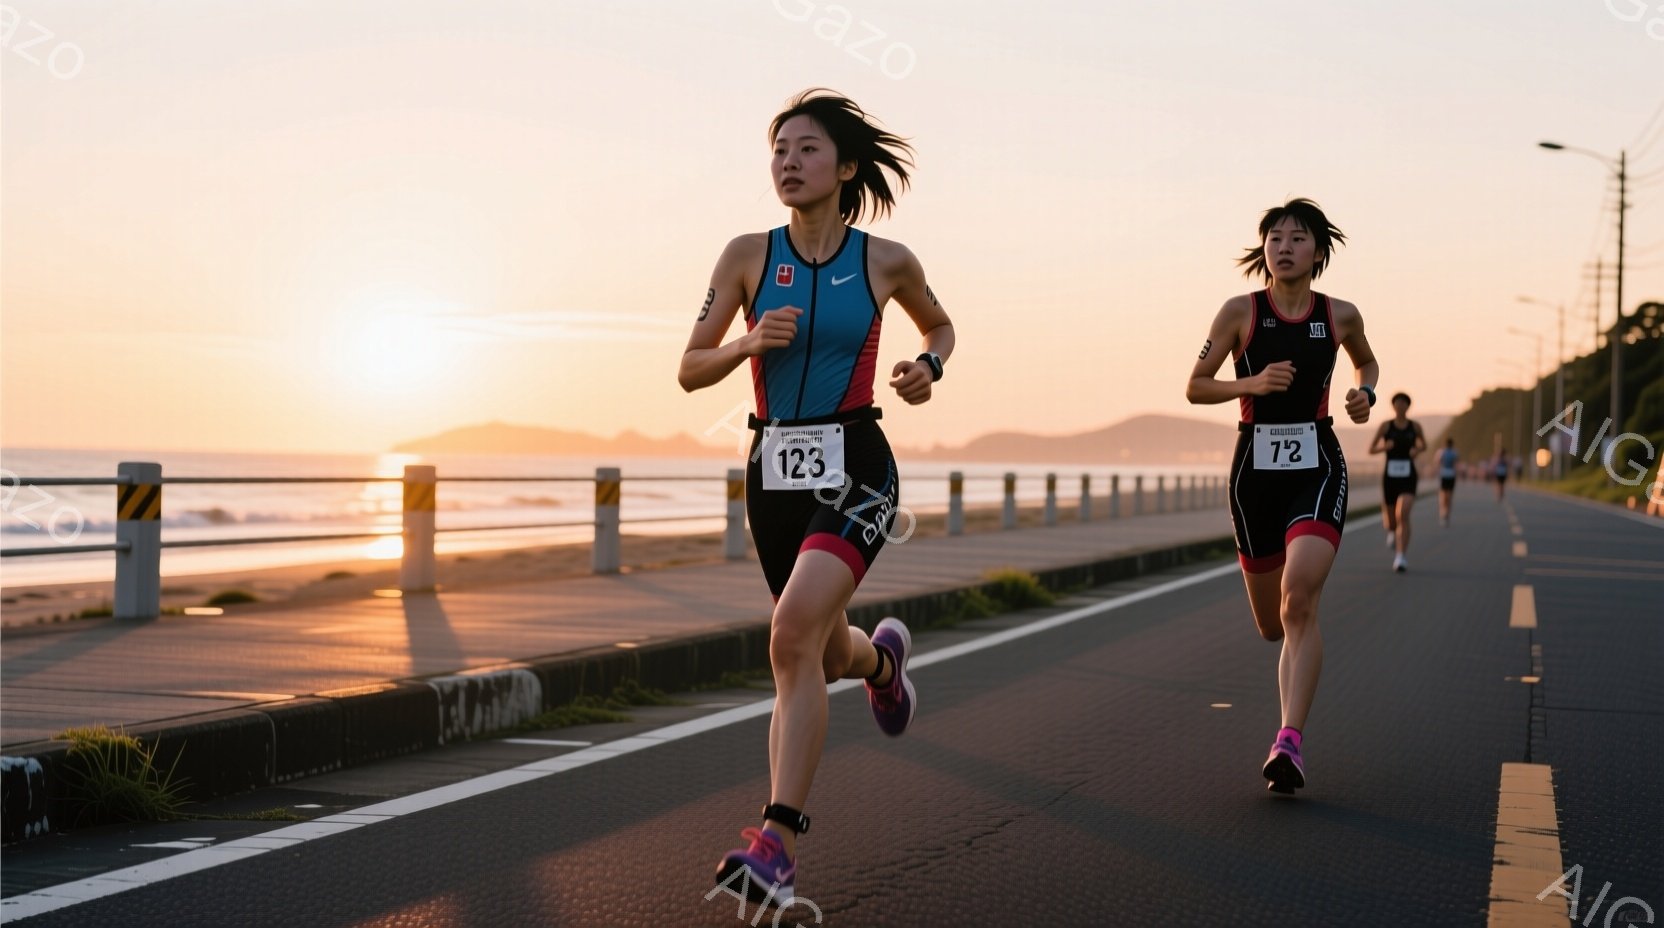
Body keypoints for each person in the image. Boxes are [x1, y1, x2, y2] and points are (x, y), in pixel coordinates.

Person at [678, 89, 955, 903]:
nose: (788, 164)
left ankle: (777, 844)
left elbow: (939, 328)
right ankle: (880, 662)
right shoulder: (745, 255)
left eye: (806, 150)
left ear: (846, 167)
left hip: (858, 464)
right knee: (822, 651)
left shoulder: (886, 261)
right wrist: (744, 343)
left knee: (789, 633)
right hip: (773, 471)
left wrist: (926, 369)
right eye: (779, 151)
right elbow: (690, 368)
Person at [1186, 198, 1378, 795]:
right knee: (1273, 625)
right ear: (1263, 249)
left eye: (1298, 238)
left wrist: (1364, 396)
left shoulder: (1340, 314)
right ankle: (1287, 733)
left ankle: (1288, 742)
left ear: (1319, 251)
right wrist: (1252, 383)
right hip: (1254, 474)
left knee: (1300, 601)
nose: (1285, 246)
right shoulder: (1238, 312)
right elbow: (1194, 387)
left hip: (1317, 465)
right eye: (1275, 237)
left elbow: (1366, 366)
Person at [1369, 392, 1426, 572]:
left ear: (1408, 406)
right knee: (1392, 521)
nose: (1400, 406)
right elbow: (1371, 449)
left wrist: (1417, 450)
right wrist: (1384, 447)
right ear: (1393, 406)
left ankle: (1400, 557)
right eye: (1397, 403)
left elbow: (1424, 445)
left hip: (1408, 475)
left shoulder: (1415, 427)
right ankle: (1392, 531)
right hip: (1390, 477)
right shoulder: (1386, 427)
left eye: (1404, 403)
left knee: (1404, 514)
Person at [1436, 438, 1459, 526]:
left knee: (1443, 496)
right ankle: (1446, 514)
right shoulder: (1454, 453)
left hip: (1443, 475)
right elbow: (1456, 465)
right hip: (1451, 475)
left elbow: (1438, 463)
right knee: (1449, 497)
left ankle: (1443, 514)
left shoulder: (1441, 452)